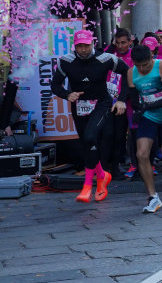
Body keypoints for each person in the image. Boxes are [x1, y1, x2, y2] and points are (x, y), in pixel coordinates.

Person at [51, 30, 127, 203]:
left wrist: (121, 99)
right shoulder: (67, 61)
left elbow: (128, 72)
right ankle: (102, 176)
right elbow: (55, 84)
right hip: (79, 104)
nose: (83, 49)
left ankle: (87, 186)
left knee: (91, 136)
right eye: (79, 46)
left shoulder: (105, 59)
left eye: (86, 45)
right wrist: (66, 94)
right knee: (87, 142)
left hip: (101, 103)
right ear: (75, 46)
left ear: (92, 43)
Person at [127, 44, 162, 213]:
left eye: (145, 65)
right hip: (149, 116)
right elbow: (135, 100)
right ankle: (153, 197)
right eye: (138, 65)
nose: (142, 69)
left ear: (152, 58)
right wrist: (138, 110)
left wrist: (144, 108)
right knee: (141, 154)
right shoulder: (131, 73)